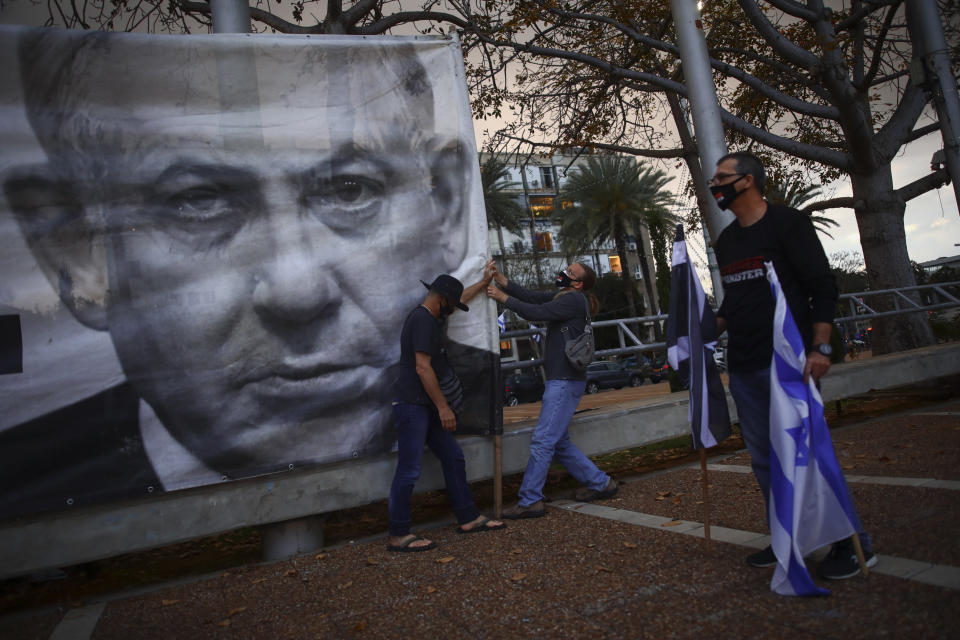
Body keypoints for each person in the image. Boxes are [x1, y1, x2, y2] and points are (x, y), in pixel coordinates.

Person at [0, 27, 494, 518]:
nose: (296, 291)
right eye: (199, 201)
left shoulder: (482, 396)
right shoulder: (22, 472)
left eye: (349, 190)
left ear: (444, 203)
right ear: (75, 251)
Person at [710, 151, 876, 580]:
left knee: (810, 451)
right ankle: (789, 534)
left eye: (722, 177)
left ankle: (852, 543)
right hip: (745, 366)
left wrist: (820, 347)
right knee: (765, 460)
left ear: (747, 181)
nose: (715, 185)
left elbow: (821, 285)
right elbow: (734, 299)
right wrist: (706, 325)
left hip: (789, 363)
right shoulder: (726, 242)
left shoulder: (788, 224)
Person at [486, 262, 617, 519]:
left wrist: (502, 297)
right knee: (558, 442)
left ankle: (530, 499)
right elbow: (533, 297)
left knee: (543, 440)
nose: (564, 273)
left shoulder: (573, 301)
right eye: (566, 268)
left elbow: (537, 312)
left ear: (578, 283)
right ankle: (601, 483)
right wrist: (502, 279)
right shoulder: (565, 296)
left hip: (565, 381)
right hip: (565, 379)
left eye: (570, 273)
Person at [387, 272, 505, 551]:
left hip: (424, 405)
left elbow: (461, 297)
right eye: (450, 305)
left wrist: (484, 283)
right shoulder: (424, 322)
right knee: (409, 470)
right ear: (441, 301)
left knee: (453, 458)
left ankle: (468, 517)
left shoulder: (431, 314)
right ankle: (398, 534)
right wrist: (444, 408)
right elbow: (422, 367)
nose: (453, 310)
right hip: (414, 405)